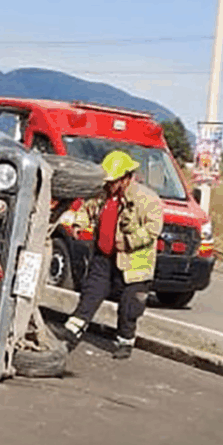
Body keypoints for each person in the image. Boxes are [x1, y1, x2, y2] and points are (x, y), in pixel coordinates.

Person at [54, 150, 164, 360]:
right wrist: (79, 224)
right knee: (90, 295)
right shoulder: (102, 194)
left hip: (135, 264)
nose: (109, 185)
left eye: (113, 181)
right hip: (104, 258)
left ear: (126, 178)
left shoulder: (147, 199)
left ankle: (125, 341)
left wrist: (128, 242)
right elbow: (86, 210)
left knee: (129, 308)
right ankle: (71, 333)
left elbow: (152, 230)